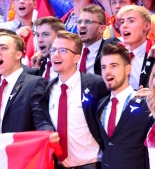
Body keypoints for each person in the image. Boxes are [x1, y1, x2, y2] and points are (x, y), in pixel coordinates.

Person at [40, 31, 107, 168]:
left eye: (63, 50)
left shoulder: (96, 84)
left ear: (76, 58)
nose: (56, 55)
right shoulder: (48, 89)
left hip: (90, 163)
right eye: (53, 50)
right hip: (57, 164)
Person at [0, 33, 53, 134]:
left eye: (3, 48)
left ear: (18, 54)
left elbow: (42, 121)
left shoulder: (34, 83)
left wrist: (47, 134)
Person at [97, 44, 151, 169]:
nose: (107, 72)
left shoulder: (146, 103)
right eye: (104, 67)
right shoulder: (100, 105)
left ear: (128, 70)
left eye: (113, 66)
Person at [119, 5, 155, 90]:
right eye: (122, 22)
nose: (124, 26)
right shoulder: (116, 54)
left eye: (131, 21)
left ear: (146, 26)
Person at [78, 5, 121, 75]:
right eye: (79, 22)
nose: (82, 25)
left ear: (102, 29)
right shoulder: (72, 49)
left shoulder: (111, 47)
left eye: (88, 22)